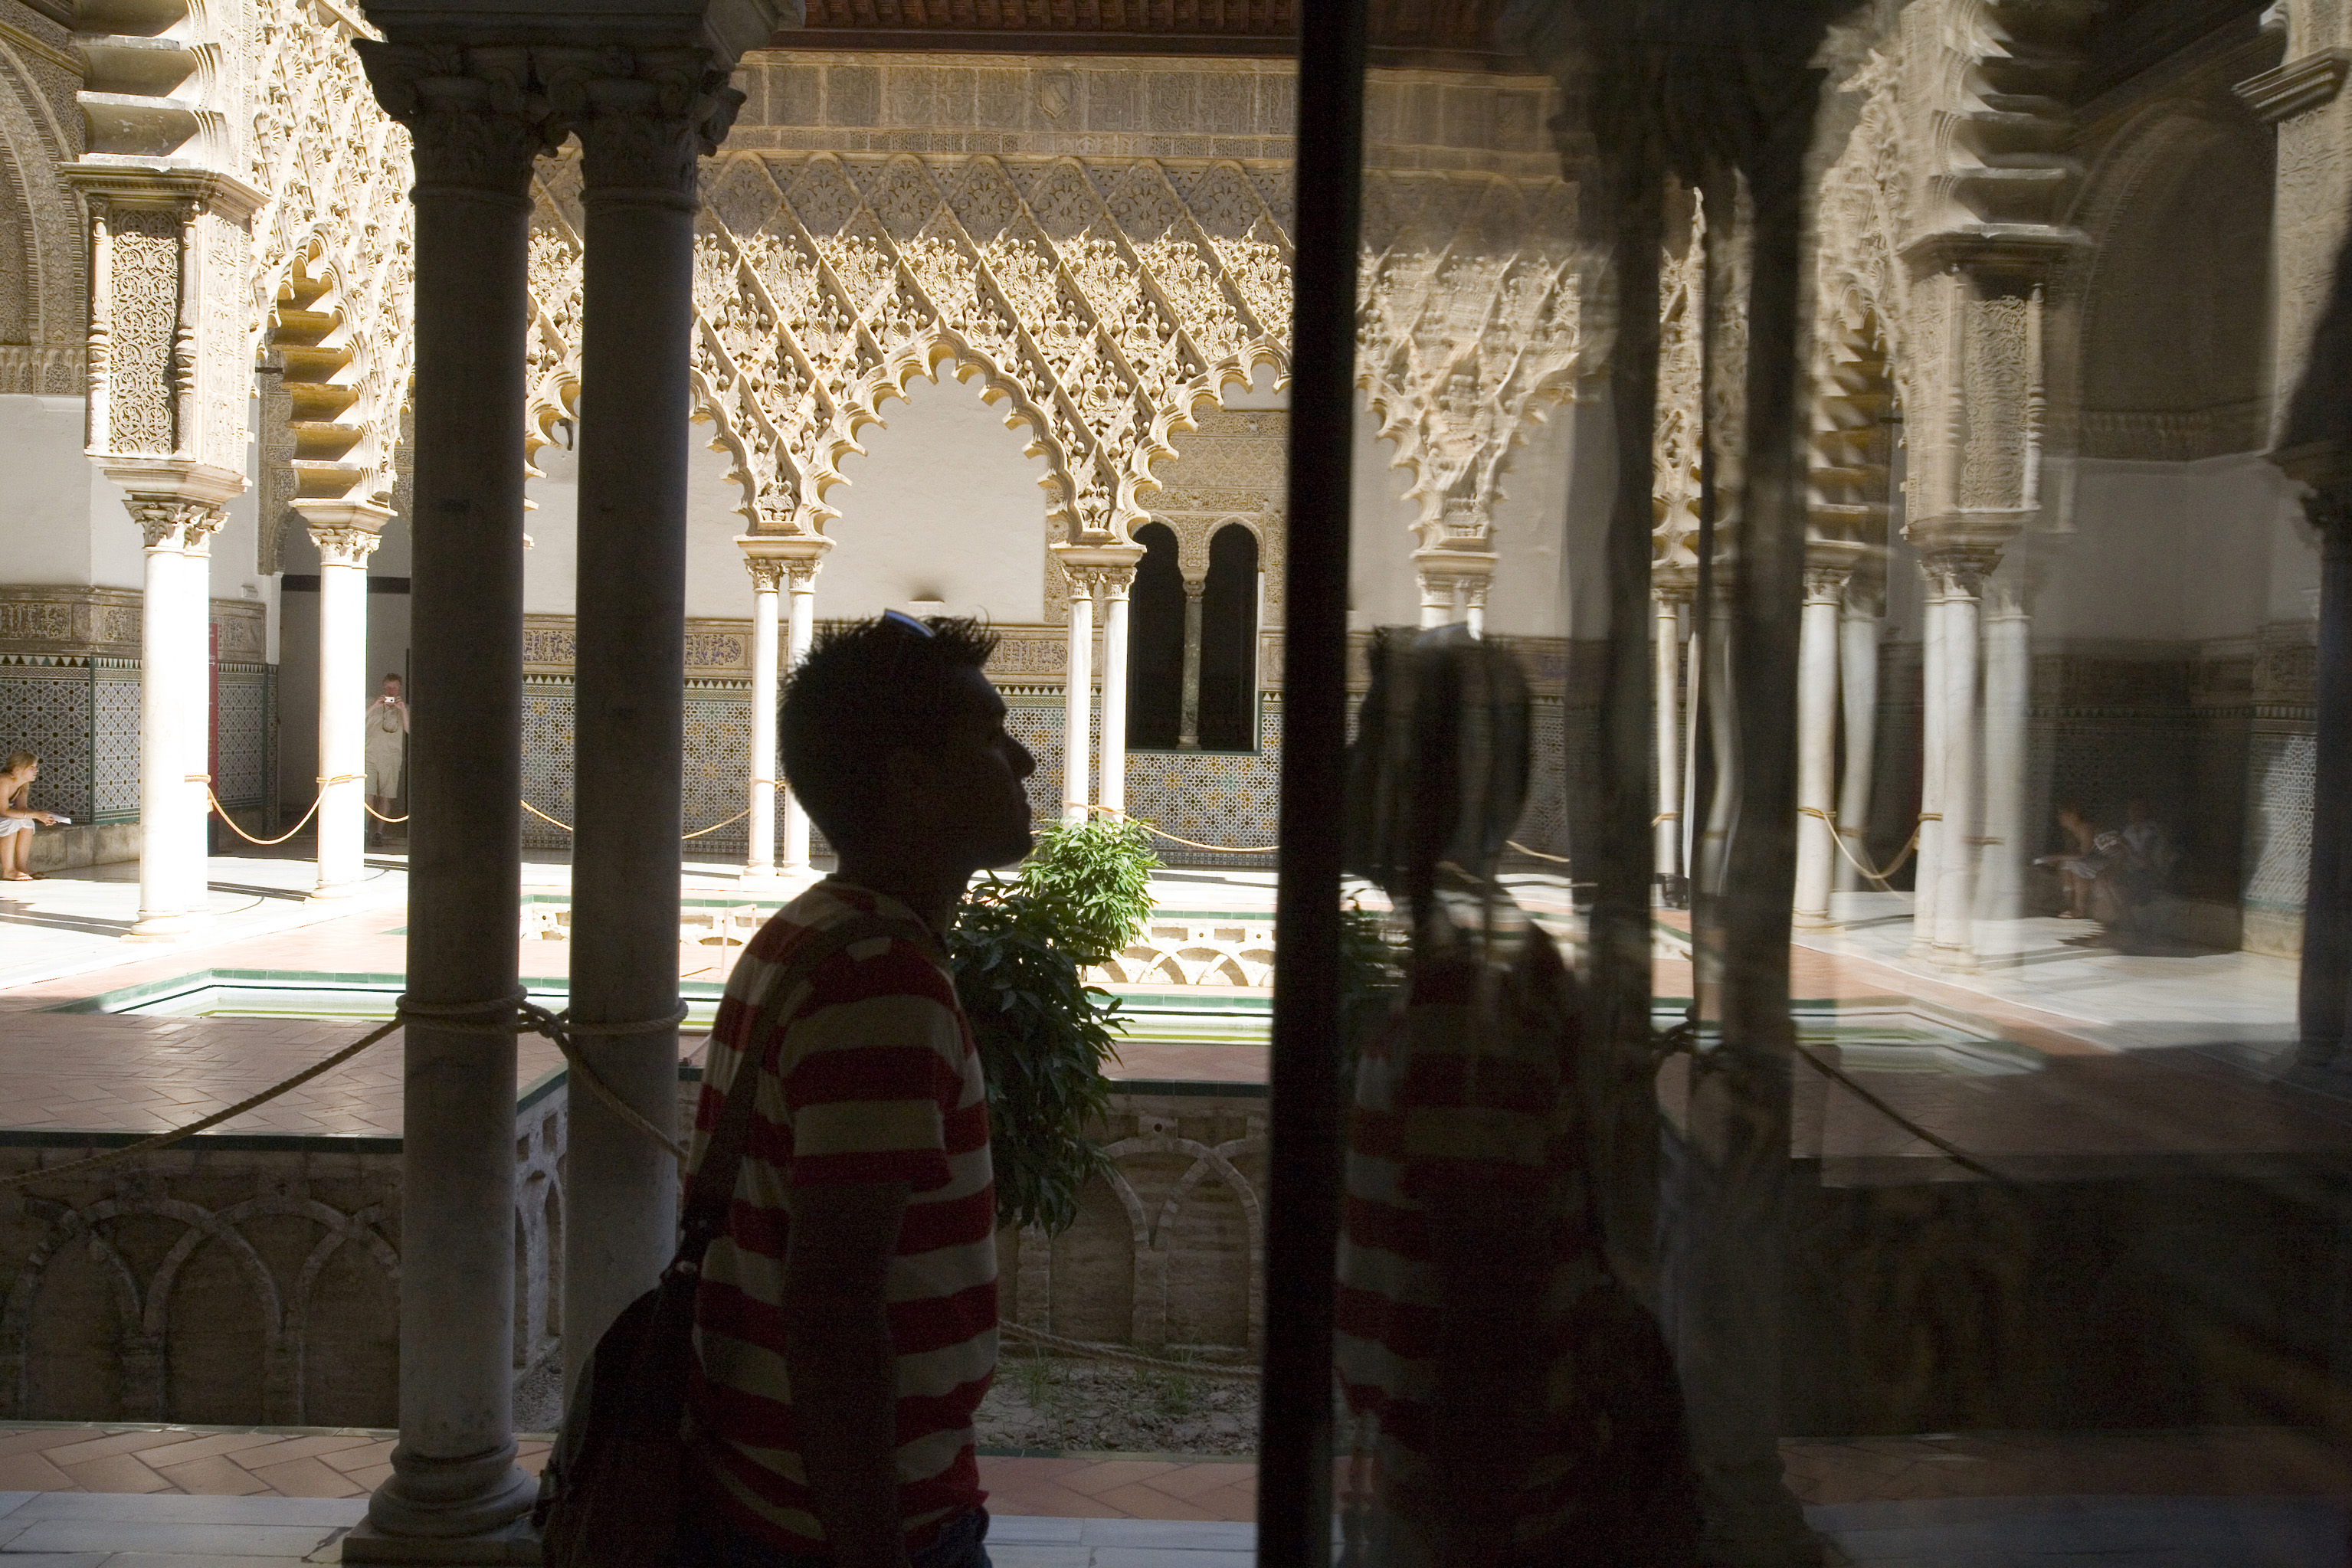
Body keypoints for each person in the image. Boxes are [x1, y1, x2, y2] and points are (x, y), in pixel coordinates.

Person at [680, 611, 1034, 1568]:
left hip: (760, 1488)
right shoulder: (881, 983)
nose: (1024, 761)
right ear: (912, 781)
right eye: (990, 736)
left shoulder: (809, 931)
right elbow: (834, 1307)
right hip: (847, 1524)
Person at [2034, 804, 2108, 920]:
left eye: (2063, 814)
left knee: (2078, 866)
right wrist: (2056, 859)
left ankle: (2079, 909)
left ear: (2074, 815)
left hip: (2106, 860)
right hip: (2091, 860)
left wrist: (2058, 857)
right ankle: (2068, 904)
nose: (2060, 817)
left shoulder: (2085, 828)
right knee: (2065, 865)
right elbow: (2070, 853)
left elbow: (2084, 855)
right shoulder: (2070, 832)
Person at [0, 751, 61, 882]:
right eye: (32, 767)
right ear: (17, 769)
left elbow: (22, 809)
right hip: (3, 816)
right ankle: (8, 870)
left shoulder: (23, 784)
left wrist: (42, 815)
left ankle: (22, 866)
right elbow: (3, 811)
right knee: (11, 823)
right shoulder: (3, 781)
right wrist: (36, 815)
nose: (36, 770)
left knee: (27, 822)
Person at [364, 673, 408, 846]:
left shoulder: (404, 708)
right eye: (388, 687)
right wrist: (375, 705)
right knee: (368, 795)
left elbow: (410, 729)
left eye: (394, 688)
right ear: (383, 687)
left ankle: (379, 833)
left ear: (400, 689)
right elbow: (354, 721)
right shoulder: (370, 702)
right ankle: (364, 830)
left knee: (386, 797)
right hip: (369, 757)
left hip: (391, 759)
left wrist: (402, 710)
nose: (391, 691)